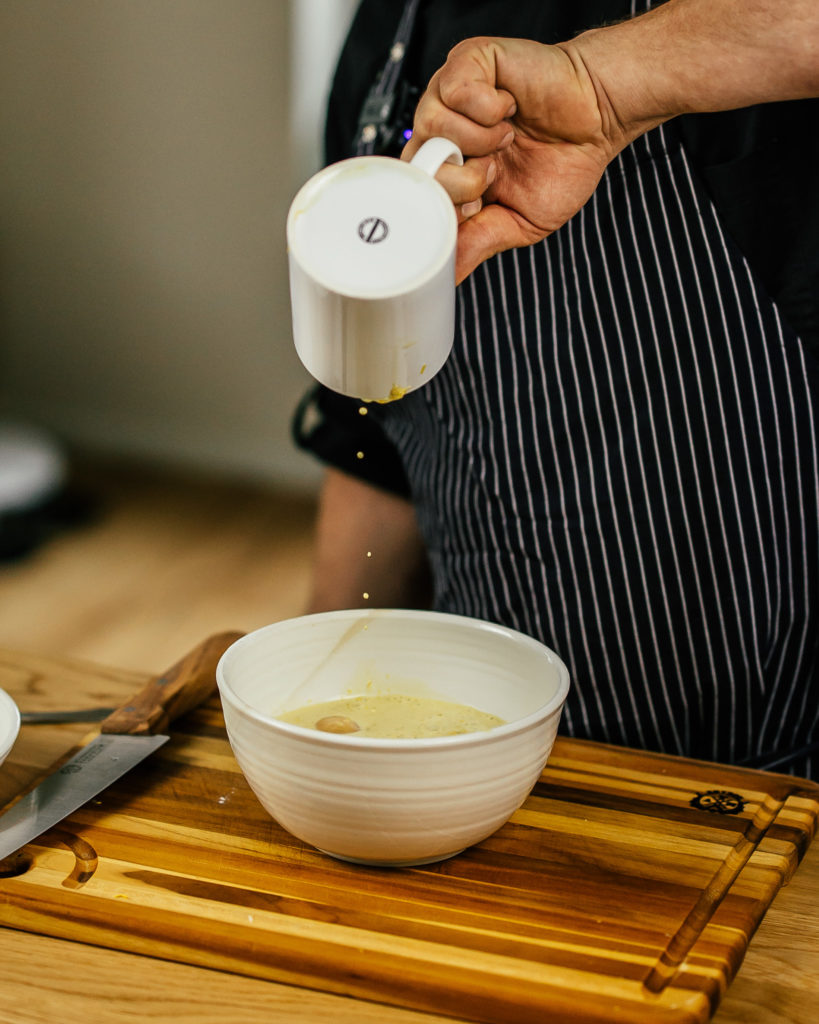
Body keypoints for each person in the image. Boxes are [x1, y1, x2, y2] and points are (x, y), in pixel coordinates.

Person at [294, 0, 819, 778]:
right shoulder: (391, 43)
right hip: (485, 761)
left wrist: (602, 84)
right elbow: (376, 424)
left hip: (765, 789)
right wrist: (305, 694)